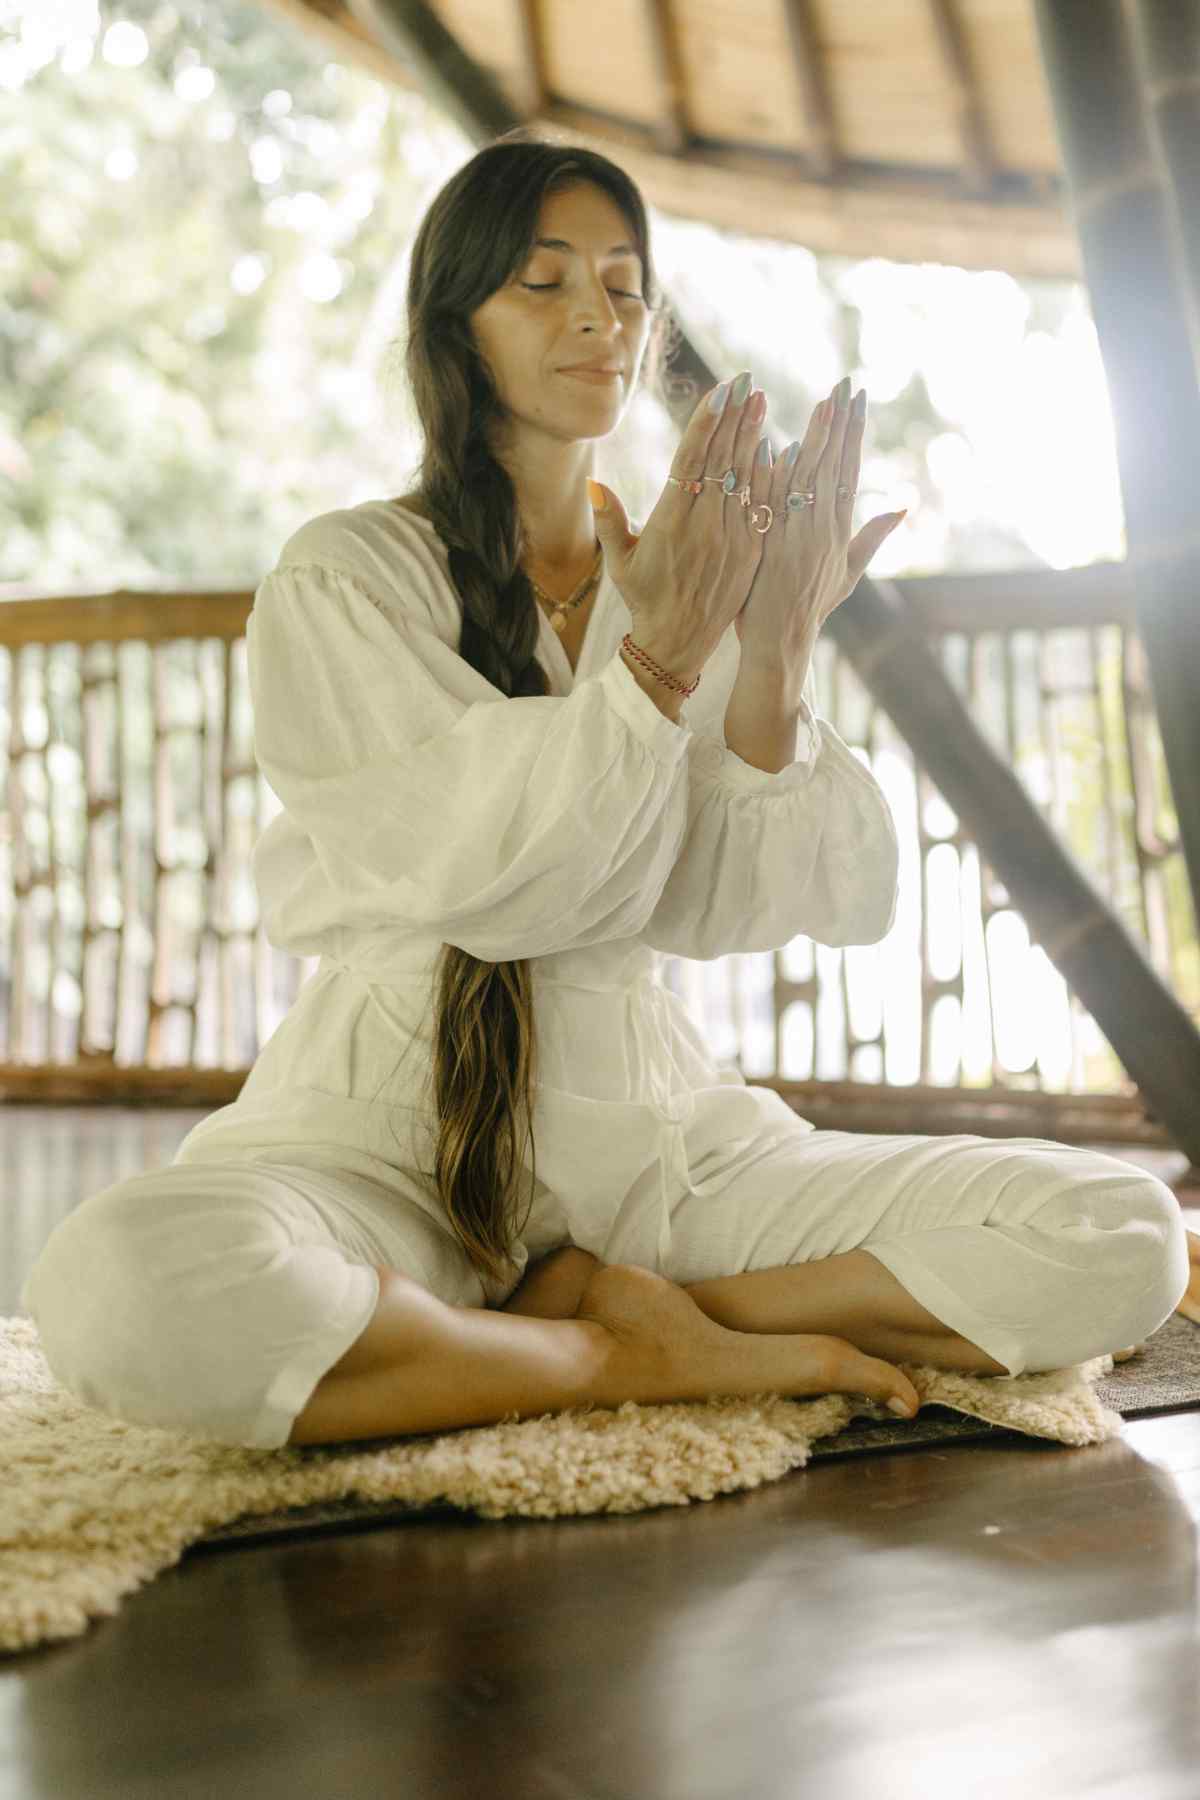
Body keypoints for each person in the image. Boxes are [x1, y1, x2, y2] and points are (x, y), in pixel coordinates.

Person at [20, 131, 1189, 1452]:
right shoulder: (346, 577)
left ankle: (619, 1317)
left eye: (626, 285)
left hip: (655, 1138)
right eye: (544, 280)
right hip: (379, 1135)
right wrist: (660, 659)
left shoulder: (684, 568)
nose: (599, 314)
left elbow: (729, 904)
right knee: (123, 1282)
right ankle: (608, 1354)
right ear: (452, 324)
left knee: (1118, 1233)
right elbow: (493, 880)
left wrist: (779, 649)